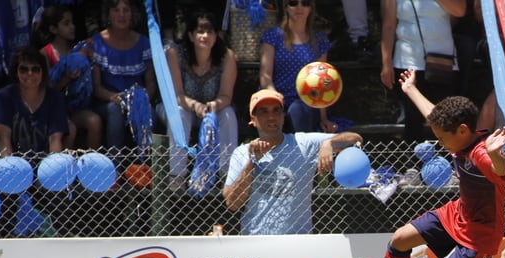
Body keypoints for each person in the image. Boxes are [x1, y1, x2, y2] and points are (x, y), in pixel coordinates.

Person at [347, 69, 505, 258]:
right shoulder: (457, 134)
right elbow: (435, 115)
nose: (440, 143)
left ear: (462, 131)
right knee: (399, 238)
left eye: (442, 139)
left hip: (480, 235)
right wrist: (409, 89)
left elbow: (501, 172)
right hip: (457, 213)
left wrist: (497, 154)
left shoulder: (480, 154)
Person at [222, 89, 363, 235]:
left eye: (276, 110)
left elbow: (356, 138)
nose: (271, 116)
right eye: (264, 111)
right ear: (253, 119)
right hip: (256, 241)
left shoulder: (303, 143)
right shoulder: (242, 152)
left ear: (283, 116)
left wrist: (329, 143)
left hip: (297, 243)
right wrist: (251, 163)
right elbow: (232, 203)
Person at [160, 10, 238, 190]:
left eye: (209, 32)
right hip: (179, 106)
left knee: (228, 114)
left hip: (212, 109)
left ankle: (227, 176)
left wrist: (214, 105)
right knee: (180, 114)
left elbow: (226, 96)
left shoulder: (227, 57)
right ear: (191, 35)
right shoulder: (175, 54)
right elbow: (177, 95)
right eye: (200, 32)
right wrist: (195, 105)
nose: (205, 36)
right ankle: (176, 177)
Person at [380, 0, 466, 142]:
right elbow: (388, 25)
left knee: (446, 117)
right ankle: (413, 162)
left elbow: (460, 10)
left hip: (442, 59)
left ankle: (448, 161)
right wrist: (386, 63)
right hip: (407, 60)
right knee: (413, 119)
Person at [259, 0, 338, 134]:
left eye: (305, 3)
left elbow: (323, 84)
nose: (299, 7)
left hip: (306, 102)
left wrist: (323, 118)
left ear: (311, 8)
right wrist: (275, 97)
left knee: (297, 109)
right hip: (276, 98)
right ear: (286, 7)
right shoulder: (273, 36)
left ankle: (302, 154)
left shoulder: (320, 40)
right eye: (293, 3)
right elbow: (265, 75)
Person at [90, 0, 157, 153]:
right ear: (108, 14)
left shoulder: (144, 43)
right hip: (108, 101)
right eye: (116, 10)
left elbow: (151, 82)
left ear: (132, 14)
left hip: (136, 98)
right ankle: (116, 166)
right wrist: (116, 98)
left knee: (149, 112)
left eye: (126, 10)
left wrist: (141, 99)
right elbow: (96, 87)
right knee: (115, 110)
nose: (121, 15)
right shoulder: (96, 43)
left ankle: (145, 166)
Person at [35, 5, 103, 150]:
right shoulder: (45, 54)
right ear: (53, 29)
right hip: (53, 110)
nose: (72, 27)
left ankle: (90, 168)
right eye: (66, 24)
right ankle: (64, 169)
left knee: (94, 121)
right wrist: (66, 78)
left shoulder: (78, 51)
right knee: (69, 129)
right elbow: (45, 89)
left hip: (75, 108)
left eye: (72, 23)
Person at [0, 47, 68, 157]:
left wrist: (54, 166)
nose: (30, 73)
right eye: (24, 69)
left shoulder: (55, 98)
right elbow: (3, 140)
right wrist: (10, 168)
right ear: (16, 72)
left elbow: (55, 140)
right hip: (14, 163)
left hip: (45, 164)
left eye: (35, 69)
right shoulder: (3, 97)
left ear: (43, 72)